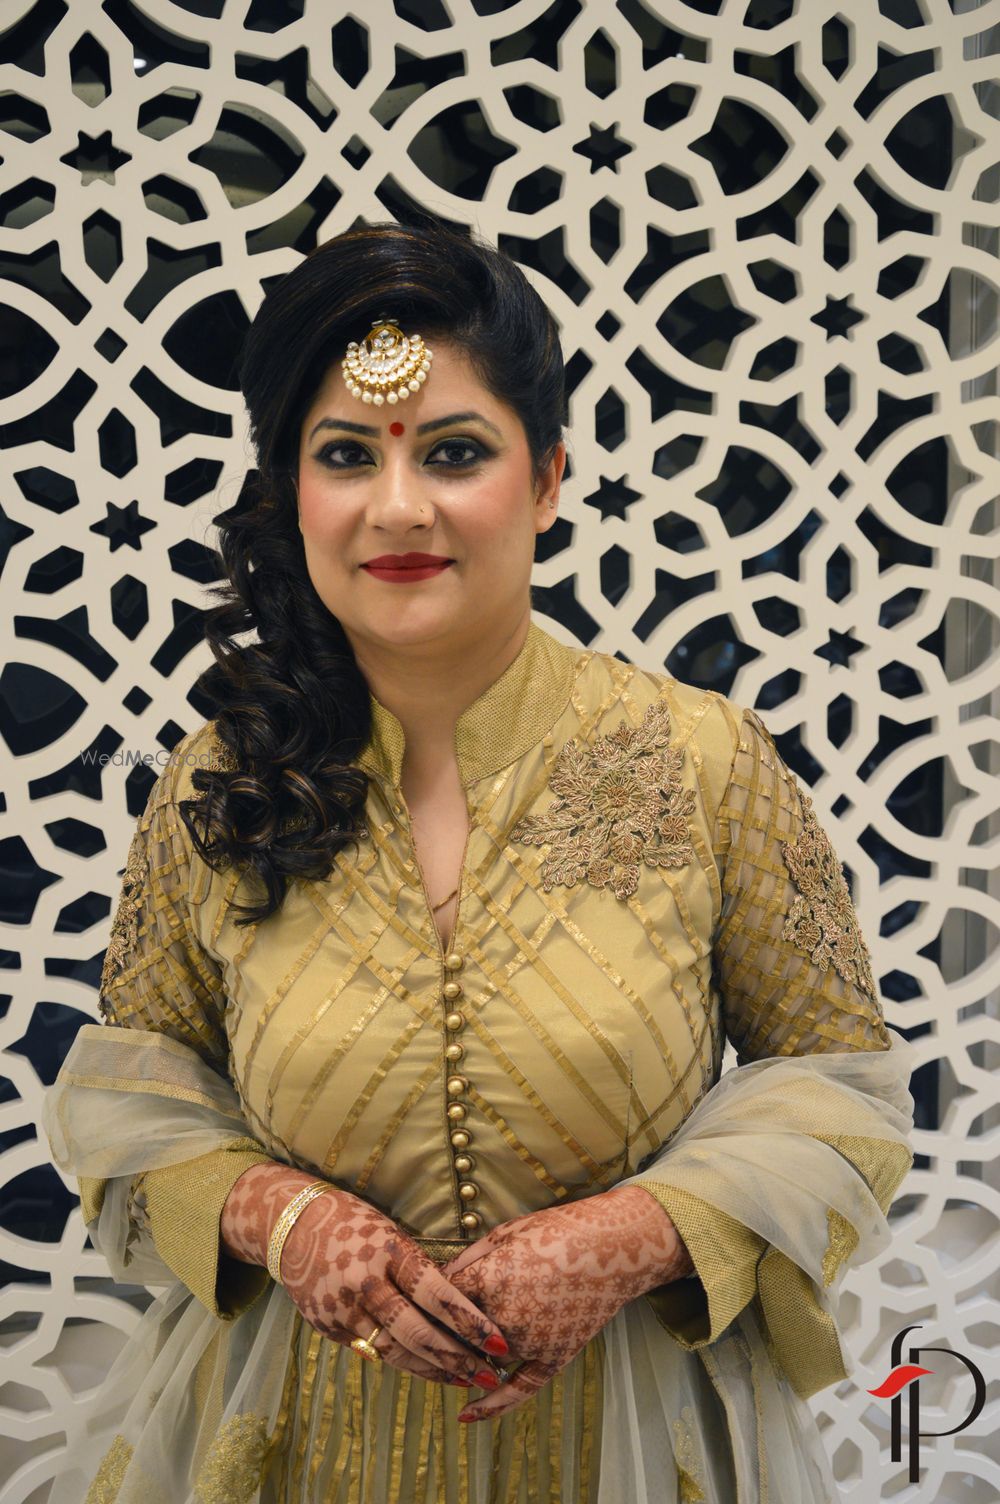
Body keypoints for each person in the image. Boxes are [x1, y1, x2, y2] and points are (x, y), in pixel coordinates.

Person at [43, 219, 915, 1504]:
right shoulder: (225, 782)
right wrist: (280, 1218)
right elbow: (133, 1106)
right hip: (296, 1440)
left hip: (623, 1443)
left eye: (453, 452)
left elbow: (842, 1093)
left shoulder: (702, 761)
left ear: (547, 479)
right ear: (293, 493)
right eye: (346, 455)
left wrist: (635, 1233)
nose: (399, 506)